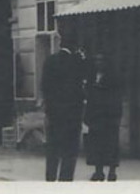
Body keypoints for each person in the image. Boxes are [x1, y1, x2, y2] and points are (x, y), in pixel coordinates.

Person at [41, 24, 89, 181]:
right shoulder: (77, 63)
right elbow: (81, 88)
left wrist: (49, 109)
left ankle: (50, 183)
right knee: (69, 154)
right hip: (71, 117)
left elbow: (44, 87)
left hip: (53, 115)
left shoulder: (50, 61)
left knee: (52, 153)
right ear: (75, 45)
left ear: (61, 43)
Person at [84, 53, 123, 182]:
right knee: (96, 144)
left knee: (111, 144)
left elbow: (117, 97)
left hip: (109, 116)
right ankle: (98, 171)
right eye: (96, 60)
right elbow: (89, 96)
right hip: (96, 116)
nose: (98, 63)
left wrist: (116, 115)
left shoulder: (114, 78)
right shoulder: (92, 77)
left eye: (101, 60)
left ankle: (112, 171)